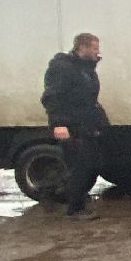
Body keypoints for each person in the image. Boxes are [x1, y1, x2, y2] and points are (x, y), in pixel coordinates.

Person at [42, 32, 110, 218]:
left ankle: (77, 201)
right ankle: (74, 209)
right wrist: (59, 124)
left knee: (93, 163)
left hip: (86, 124)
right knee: (80, 167)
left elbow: (88, 97)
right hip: (71, 126)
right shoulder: (63, 68)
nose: (98, 52)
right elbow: (52, 97)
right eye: (95, 48)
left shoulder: (85, 68)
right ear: (83, 47)